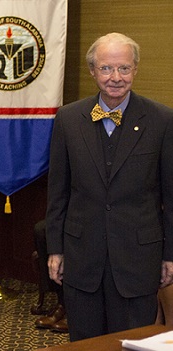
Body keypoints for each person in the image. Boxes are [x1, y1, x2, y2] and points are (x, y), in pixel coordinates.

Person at [46, 32, 173, 341]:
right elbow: (57, 192)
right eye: (106, 68)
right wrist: (56, 249)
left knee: (131, 344)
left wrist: (170, 254)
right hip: (81, 258)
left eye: (124, 68)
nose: (116, 77)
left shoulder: (162, 120)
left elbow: (171, 197)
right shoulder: (67, 118)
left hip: (138, 262)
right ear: (93, 71)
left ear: (135, 69)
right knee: (85, 343)